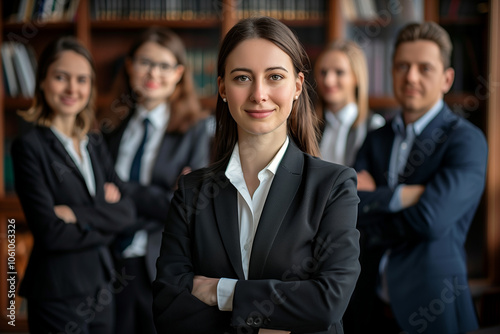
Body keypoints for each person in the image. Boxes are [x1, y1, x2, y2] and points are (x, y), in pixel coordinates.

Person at [152, 16, 361, 334]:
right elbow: (169, 310)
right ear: (222, 87)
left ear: (297, 86)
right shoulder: (192, 191)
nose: (259, 94)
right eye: (242, 78)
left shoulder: (333, 186)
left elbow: (327, 303)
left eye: (275, 76)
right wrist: (275, 320)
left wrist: (221, 292)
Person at [350, 22, 487, 334]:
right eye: (402, 66)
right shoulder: (375, 138)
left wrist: (375, 206)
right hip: (366, 305)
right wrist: (402, 196)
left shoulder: (466, 140)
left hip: (431, 305)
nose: (411, 76)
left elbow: (431, 219)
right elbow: (348, 208)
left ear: (447, 78)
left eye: (424, 68)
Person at [11, 36, 136, 333]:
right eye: (60, 77)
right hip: (57, 292)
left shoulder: (94, 142)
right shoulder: (29, 147)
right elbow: (51, 233)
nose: (72, 89)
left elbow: (128, 213)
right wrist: (105, 215)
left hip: (102, 286)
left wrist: (76, 214)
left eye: (82, 80)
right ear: (42, 82)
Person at [102, 27, 213, 334]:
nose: (154, 72)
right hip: (109, 260)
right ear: (129, 65)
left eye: (164, 65)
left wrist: (123, 191)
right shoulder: (110, 126)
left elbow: (186, 208)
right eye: (145, 62)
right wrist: (162, 195)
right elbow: (97, 196)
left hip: (160, 264)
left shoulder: (195, 130)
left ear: (178, 73)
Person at [313, 39, 384, 167]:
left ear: (356, 77)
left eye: (339, 72)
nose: (328, 81)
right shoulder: (309, 127)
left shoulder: (374, 126)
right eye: (323, 72)